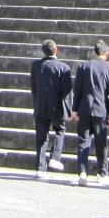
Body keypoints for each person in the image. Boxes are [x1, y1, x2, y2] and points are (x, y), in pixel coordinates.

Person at [71, 39, 109, 186]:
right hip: (101, 110)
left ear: (94, 52)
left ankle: (82, 172)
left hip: (84, 109)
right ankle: (102, 173)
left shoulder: (83, 67)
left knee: (83, 142)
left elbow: (77, 90)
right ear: (107, 53)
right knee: (101, 143)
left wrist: (74, 109)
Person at [30, 39, 73, 179]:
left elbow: (33, 87)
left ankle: (40, 167)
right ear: (56, 49)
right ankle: (55, 156)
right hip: (57, 107)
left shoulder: (36, 66)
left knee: (41, 137)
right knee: (60, 130)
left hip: (40, 105)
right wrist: (70, 110)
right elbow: (67, 91)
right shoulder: (64, 67)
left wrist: (35, 104)